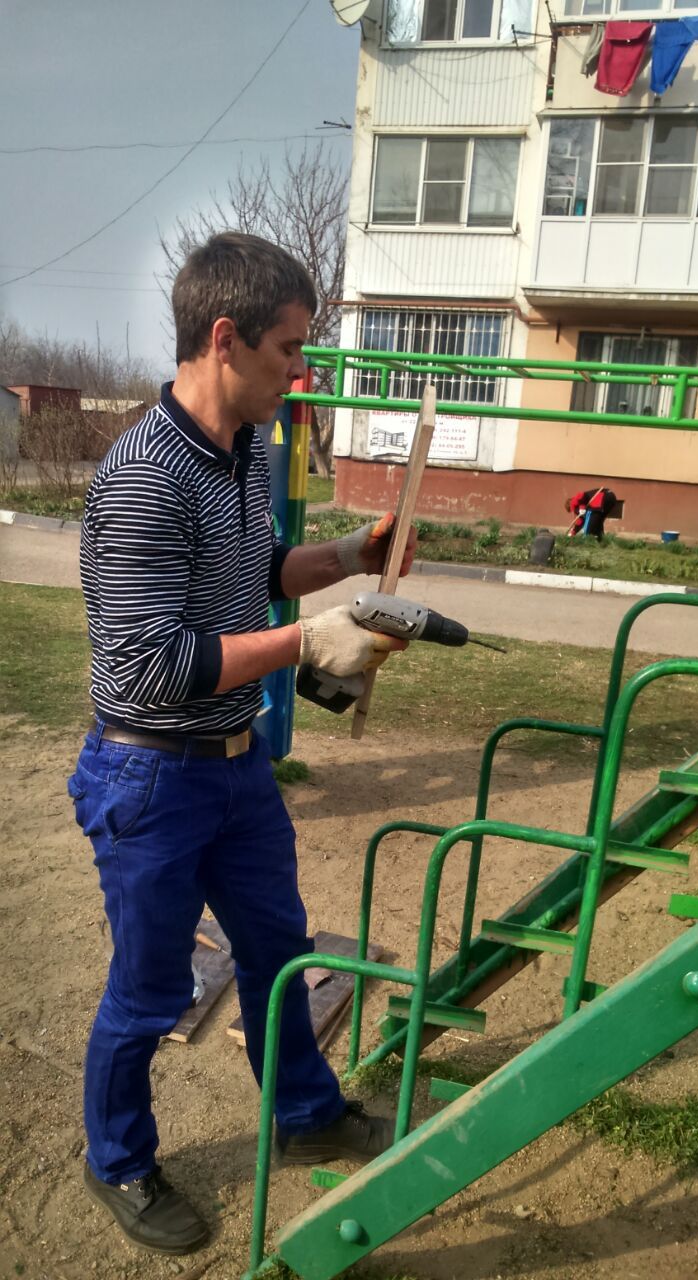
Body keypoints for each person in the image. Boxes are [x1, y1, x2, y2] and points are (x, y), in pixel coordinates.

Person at [68, 232, 417, 1257]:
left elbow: (259, 568)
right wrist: (308, 641)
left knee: (278, 951)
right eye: (288, 348)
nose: (300, 371)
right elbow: (151, 664)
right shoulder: (144, 476)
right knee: (149, 990)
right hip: (150, 775)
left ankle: (305, 1115)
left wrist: (348, 555)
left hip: (235, 767)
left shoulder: (242, 457)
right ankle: (117, 1159)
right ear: (225, 338)